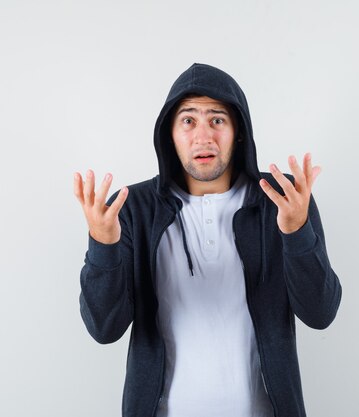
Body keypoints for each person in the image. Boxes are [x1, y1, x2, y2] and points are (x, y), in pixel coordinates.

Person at [73, 63, 342, 417]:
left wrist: (296, 232)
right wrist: (103, 246)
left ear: (239, 132)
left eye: (217, 120)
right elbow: (104, 329)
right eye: (188, 121)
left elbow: (320, 312)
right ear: (169, 133)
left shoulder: (282, 199)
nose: (203, 137)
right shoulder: (131, 209)